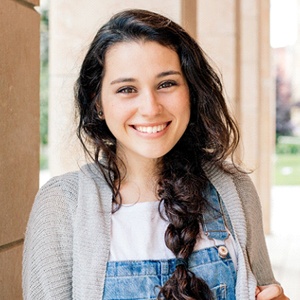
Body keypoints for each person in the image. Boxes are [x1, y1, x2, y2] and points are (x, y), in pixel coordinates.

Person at [23, 9, 289, 300]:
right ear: (97, 102)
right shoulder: (62, 206)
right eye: (127, 89)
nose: (150, 107)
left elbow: (265, 288)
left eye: (166, 84)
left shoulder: (234, 190)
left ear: (191, 90)